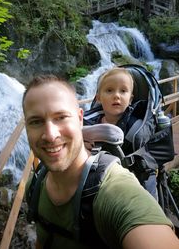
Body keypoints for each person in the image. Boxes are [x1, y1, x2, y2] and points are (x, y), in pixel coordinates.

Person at [22, 74, 179, 249]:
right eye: (36, 121)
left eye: (61, 117)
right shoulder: (34, 186)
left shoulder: (115, 190)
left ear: (80, 119)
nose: (50, 135)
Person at [83, 67, 158, 199]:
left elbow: (146, 165)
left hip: (131, 180)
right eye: (109, 90)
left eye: (123, 91)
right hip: (98, 178)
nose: (116, 95)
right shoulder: (88, 123)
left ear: (130, 99)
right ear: (98, 98)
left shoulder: (137, 129)